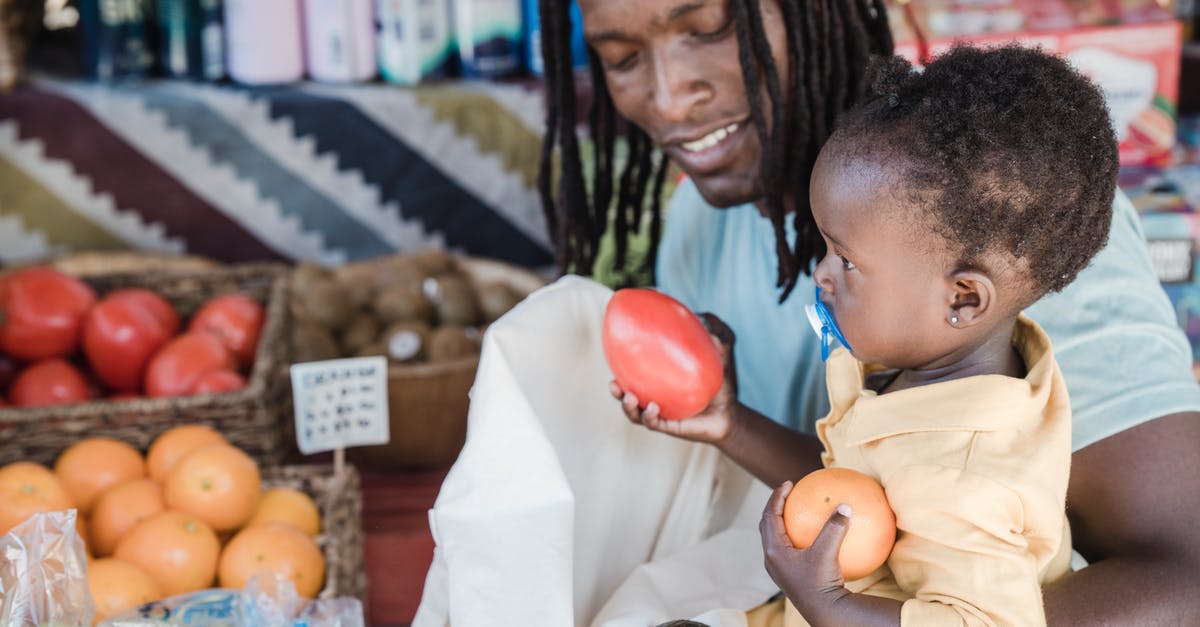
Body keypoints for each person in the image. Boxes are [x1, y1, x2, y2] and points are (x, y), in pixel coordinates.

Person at [537, 0, 1200, 623]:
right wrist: (730, 422)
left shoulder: (1006, 222)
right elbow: (859, 492)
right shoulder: (697, 223)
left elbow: (1184, 578)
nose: (669, 93)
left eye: (710, 29)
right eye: (622, 57)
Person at [616, 44, 1111, 625]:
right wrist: (730, 422)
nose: (821, 274)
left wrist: (826, 602)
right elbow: (859, 485)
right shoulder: (932, 369)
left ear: (964, 298)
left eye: (845, 261)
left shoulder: (967, 475)